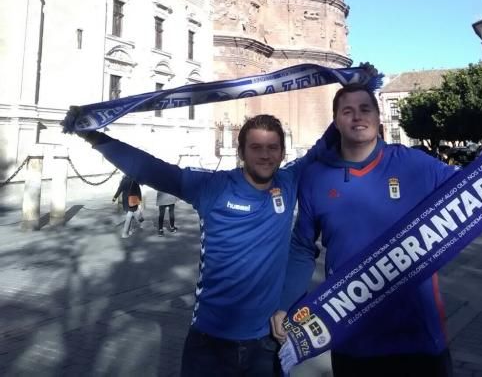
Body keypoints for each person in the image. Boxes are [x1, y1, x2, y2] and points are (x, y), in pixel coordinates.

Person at [63, 111, 330, 377]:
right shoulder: (213, 187)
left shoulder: (288, 181)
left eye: (272, 148)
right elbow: (149, 168)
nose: (265, 155)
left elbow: (324, 145)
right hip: (211, 342)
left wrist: (359, 85)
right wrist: (91, 134)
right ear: (241, 152)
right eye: (256, 147)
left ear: (283, 153)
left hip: (267, 341)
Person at [271, 84, 456, 377]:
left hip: (419, 337)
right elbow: (302, 248)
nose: (357, 117)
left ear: (378, 117)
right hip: (351, 337)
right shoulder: (315, 177)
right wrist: (285, 304)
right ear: (335, 122)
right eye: (347, 111)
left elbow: (477, 189)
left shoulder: (414, 164)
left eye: (365, 109)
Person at [112, 174, 144, 238]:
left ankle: (130, 230)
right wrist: (140, 201)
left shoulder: (123, 180)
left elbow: (119, 190)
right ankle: (125, 233)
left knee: (131, 214)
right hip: (133, 201)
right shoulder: (134, 180)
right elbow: (138, 191)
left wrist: (114, 198)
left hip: (126, 201)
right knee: (130, 216)